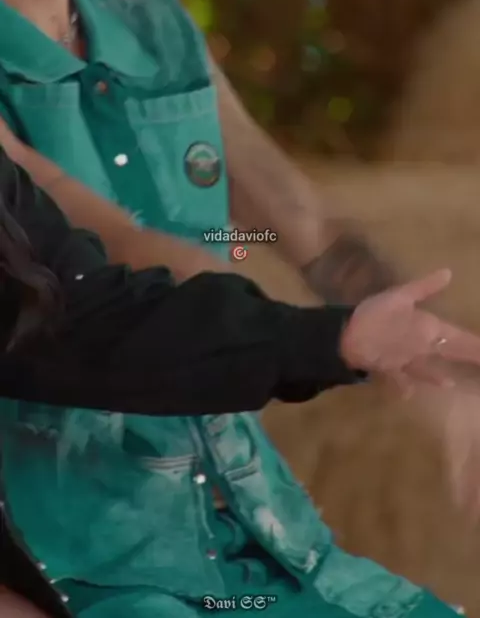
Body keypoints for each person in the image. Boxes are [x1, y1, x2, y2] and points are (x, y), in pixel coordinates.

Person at [0, 0, 471, 617]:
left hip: (276, 542)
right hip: (107, 572)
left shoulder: (162, 36)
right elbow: (118, 257)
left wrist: (442, 372)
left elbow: (306, 226)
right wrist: (326, 340)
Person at [0, 147, 474, 618]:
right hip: (95, 556)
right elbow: (125, 267)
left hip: (253, 541)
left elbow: (79, 311)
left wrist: (340, 338)